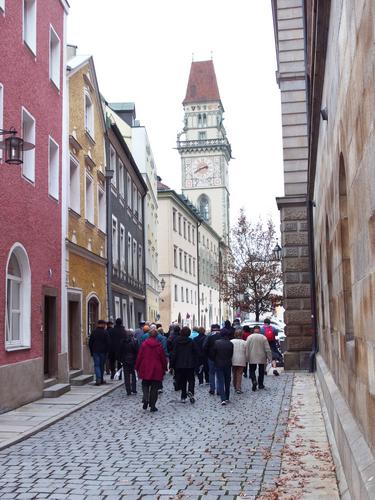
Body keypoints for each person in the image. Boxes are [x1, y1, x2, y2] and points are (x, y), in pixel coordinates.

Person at [135, 326, 167, 412]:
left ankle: (146, 398)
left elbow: (139, 356)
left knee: (145, 384)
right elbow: (162, 358)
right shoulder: (159, 345)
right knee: (154, 388)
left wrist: (137, 366)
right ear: (156, 336)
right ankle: (152, 406)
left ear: (149, 335)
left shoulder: (144, 345)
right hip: (156, 368)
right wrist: (164, 367)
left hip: (145, 367)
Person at [170, 326, 199, 403]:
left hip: (179, 364)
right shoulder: (191, 341)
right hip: (190, 364)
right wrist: (197, 363)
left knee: (183, 380)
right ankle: (190, 391)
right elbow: (196, 352)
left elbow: (174, 353)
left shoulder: (176, 341)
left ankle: (183, 396)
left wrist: (172, 365)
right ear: (189, 333)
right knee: (191, 379)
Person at [246, 325, 272, 391]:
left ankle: (254, 380)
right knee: (261, 371)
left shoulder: (249, 337)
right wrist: (269, 358)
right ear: (259, 330)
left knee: (252, 370)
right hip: (261, 356)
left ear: (253, 330)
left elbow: (246, 348)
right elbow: (267, 349)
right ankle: (260, 384)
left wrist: (246, 357)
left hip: (252, 356)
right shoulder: (263, 337)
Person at [212, 329, 234, 405]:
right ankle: (227, 397)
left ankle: (223, 398)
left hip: (218, 364)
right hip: (227, 364)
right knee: (227, 381)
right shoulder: (230, 343)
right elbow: (231, 354)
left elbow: (213, 354)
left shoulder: (216, 343)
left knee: (220, 381)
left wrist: (215, 360)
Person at [89, 319, 110, 386]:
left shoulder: (94, 332)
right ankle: (100, 379)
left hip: (95, 351)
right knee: (101, 365)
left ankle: (99, 379)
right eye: (104, 324)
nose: (105, 326)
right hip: (103, 352)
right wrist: (107, 351)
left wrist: (91, 351)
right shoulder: (105, 332)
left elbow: (90, 342)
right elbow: (108, 343)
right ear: (102, 324)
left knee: (97, 365)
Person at [203, 324, 221, 395]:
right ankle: (219, 390)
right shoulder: (221, 335)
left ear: (212, 329)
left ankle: (212, 389)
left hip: (211, 357)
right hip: (220, 357)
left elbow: (204, 346)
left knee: (212, 373)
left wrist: (207, 354)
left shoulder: (209, 335)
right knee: (219, 373)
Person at [119, 330, 138, 395]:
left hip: (125, 360)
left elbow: (120, 351)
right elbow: (136, 351)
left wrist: (121, 360)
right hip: (132, 360)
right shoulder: (135, 341)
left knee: (126, 375)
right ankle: (134, 389)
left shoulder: (122, 341)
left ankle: (128, 390)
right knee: (133, 374)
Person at [231, 329, 247, 394]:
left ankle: (235, 385)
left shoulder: (231, 341)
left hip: (233, 359)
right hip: (241, 359)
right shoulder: (244, 342)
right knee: (239, 374)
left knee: (234, 373)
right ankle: (238, 387)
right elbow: (246, 352)